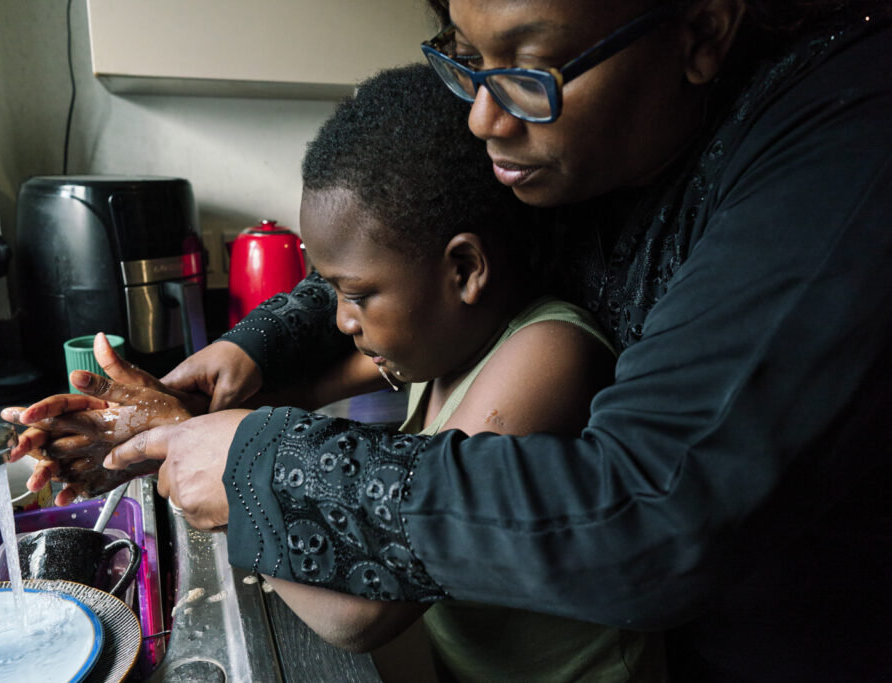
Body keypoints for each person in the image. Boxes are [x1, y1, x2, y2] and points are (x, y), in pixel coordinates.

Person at [10, 1, 892, 679]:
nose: (481, 119)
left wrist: (263, 465)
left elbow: (651, 511)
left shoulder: (843, 133)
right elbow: (422, 239)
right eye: (467, 60)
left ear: (702, 31)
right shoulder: (588, 134)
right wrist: (262, 348)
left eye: (531, 66)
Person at [261, 65, 667, 681]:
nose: (343, 320)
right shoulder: (438, 346)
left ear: (465, 269)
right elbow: (306, 388)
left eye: (358, 294)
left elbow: (362, 612)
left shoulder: (547, 357)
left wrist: (234, 486)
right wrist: (185, 414)